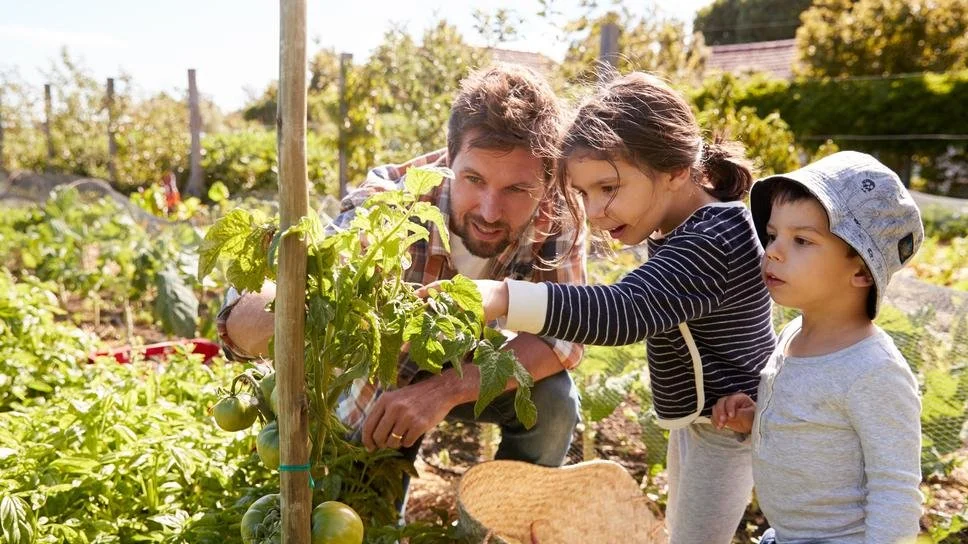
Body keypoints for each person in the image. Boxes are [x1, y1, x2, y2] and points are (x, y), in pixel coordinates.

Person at [449, 72, 777, 543]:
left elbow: (623, 309)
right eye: (584, 193)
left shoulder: (714, 240)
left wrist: (503, 297)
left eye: (608, 188)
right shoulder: (686, 229)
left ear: (675, 170)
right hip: (709, 423)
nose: (595, 211)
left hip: (731, 428)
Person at [217, 64, 585, 474]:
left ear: (547, 179)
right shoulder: (393, 201)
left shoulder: (558, 213)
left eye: (517, 189)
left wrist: (442, 390)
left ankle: (505, 524)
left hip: (471, 367)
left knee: (553, 401)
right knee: (364, 509)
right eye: (474, 179)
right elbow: (304, 282)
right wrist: (263, 313)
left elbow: (563, 338)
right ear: (450, 157)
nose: (489, 210)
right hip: (385, 378)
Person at [712, 151, 924, 543]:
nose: (772, 251)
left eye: (802, 240)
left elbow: (896, 493)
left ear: (860, 269)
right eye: (773, 235)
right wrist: (757, 419)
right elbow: (816, 426)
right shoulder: (794, 334)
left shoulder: (873, 371)